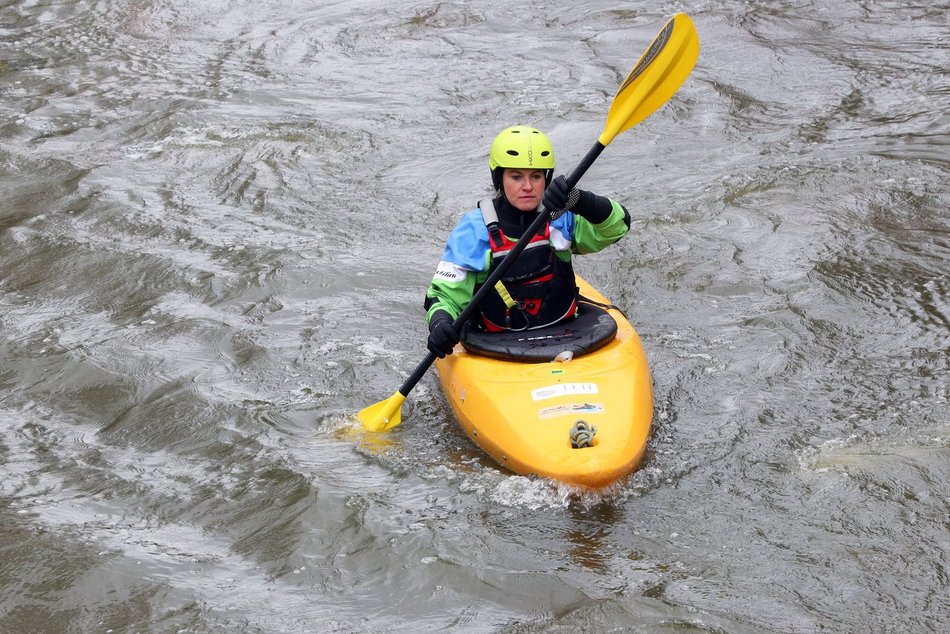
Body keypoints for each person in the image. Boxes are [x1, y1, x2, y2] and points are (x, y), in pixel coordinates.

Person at [424, 125, 631, 358]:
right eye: (516, 176)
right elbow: (443, 297)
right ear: (499, 178)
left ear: (547, 178)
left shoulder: (559, 220)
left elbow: (618, 227)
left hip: (567, 334)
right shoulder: (473, 231)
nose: (528, 187)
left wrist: (579, 199)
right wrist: (441, 324)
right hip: (496, 345)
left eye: (536, 176)